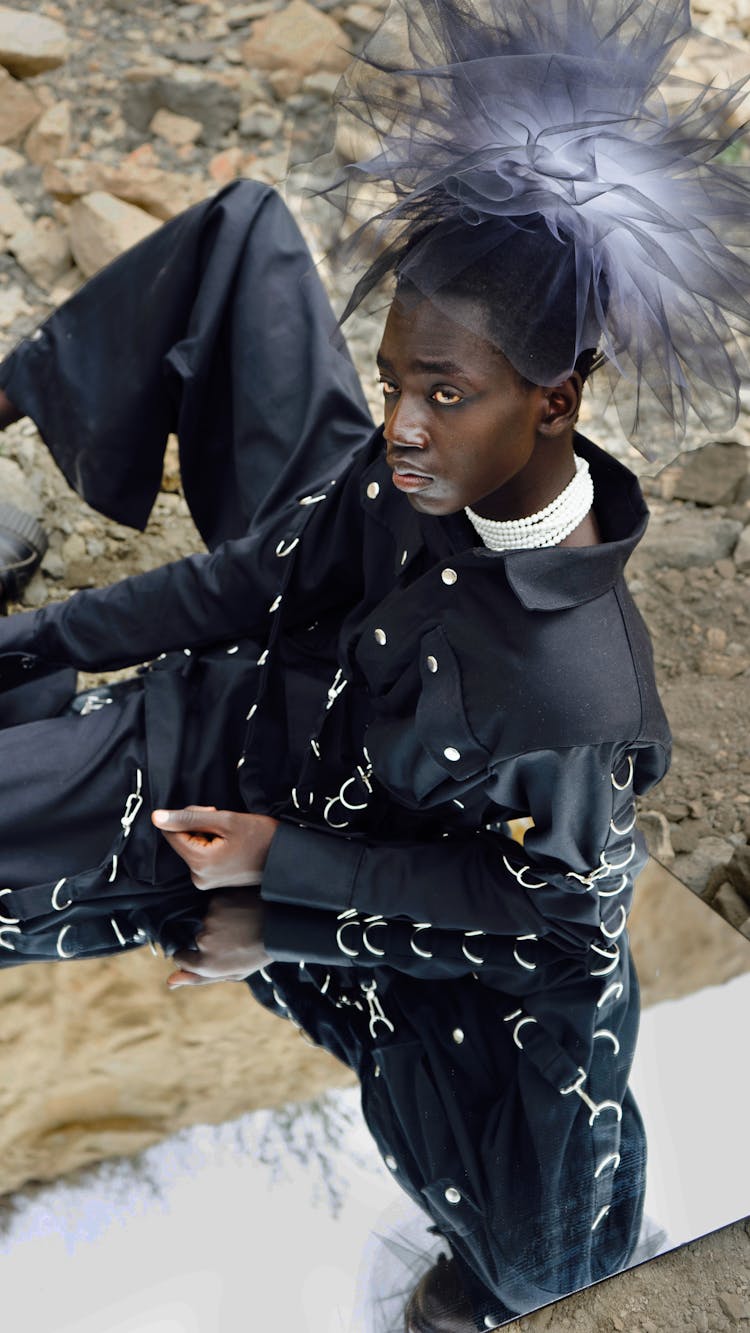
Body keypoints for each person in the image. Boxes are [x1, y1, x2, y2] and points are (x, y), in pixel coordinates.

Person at [0, 0, 747, 1325]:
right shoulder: (411, 466)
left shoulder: (574, 696)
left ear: (554, 400)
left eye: (441, 393)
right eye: (393, 376)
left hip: (405, 918)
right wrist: (37, 639)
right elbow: (254, 577)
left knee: (545, 1256)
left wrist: (279, 878)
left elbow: (548, 918)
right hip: (249, 724)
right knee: (241, 256)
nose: (397, 423)